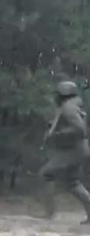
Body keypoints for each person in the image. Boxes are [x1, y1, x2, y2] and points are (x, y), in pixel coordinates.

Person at [39, 81, 90, 224]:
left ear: (63, 94)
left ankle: (49, 213)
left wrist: (58, 134)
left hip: (74, 150)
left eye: (57, 94)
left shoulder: (68, 108)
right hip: (78, 149)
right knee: (72, 183)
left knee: (46, 174)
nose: (55, 97)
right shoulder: (72, 106)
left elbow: (80, 129)